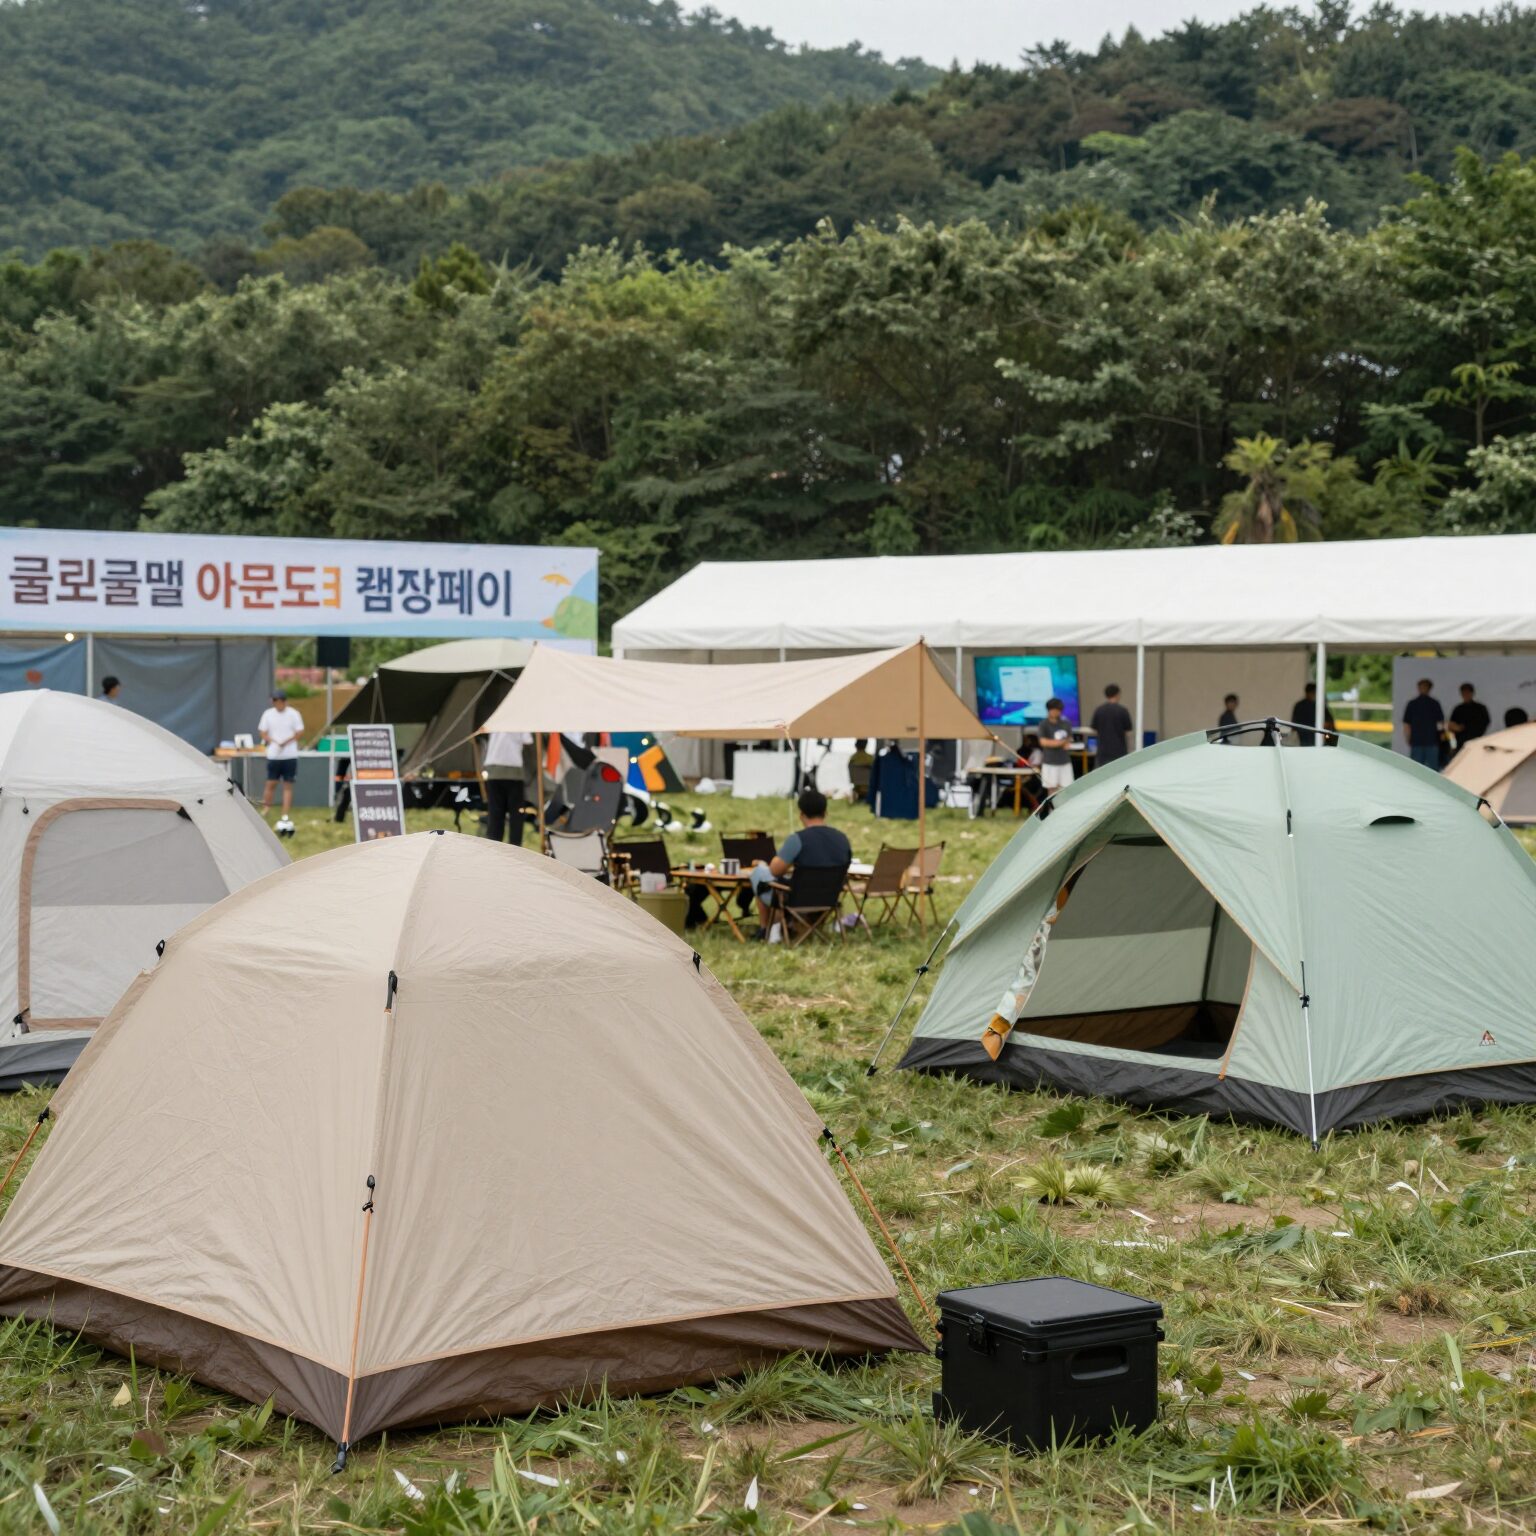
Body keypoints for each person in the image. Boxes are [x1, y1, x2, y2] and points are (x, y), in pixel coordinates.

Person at [748, 787, 852, 936]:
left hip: (798, 900)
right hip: (829, 898)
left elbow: (774, 871)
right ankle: (794, 925)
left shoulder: (798, 839)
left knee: (760, 872)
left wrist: (763, 865)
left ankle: (765, 929)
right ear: (825, 813)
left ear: (801, 815)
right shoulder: (842, 839)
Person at [258, 687, 305, 816]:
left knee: (287, 785)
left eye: (277, 701)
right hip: (274, 755)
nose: (275, 704)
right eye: (273, 701)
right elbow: (262, 732)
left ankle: (285, 812)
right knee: (270, 783)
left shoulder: (294, 714)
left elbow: (300, 732)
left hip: (290, 755)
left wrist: (287, 741)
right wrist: (272, 741)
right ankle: (266, 808)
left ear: (283, 701)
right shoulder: (268, 714)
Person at [481, 730, 532, 845]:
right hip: (513, 771)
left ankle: (494, 846)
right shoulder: (520, 720)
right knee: (516, 815)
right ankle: (515, 847)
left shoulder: (496, 716)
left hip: (494, 770)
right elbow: (528, 740)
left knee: (495, 812)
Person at [1402, 678, 1445, 769]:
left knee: (1419, 770)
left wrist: (1408, 737)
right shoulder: (1433, 703)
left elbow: (1407, 724)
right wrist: (1441, 735)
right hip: (1426, 741)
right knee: (1424, 769)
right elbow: (1440, 723)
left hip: (1429, 741)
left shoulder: (1414, 704)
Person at [1090, 684, 1133, 768]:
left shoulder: (1099, 710)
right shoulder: (1122, 711)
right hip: (1119, 751)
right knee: (1119, 777)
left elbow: (1094, 729)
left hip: (1102, 752)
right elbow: (1128, 731)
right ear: (1117, 694)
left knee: (1102, 777)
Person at [1037, 698, 1074, 793]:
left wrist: (1063, 743)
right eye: (1054, 710)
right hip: (1050, 762)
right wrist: (1061, 742)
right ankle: (1052, 808)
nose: (1056, 712)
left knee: (1066, 789)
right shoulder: (1043, 724)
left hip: (1065, 761)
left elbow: (1069, 740)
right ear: (1049, 710)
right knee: (1051, 790)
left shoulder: (1066, 723)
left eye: (1058, 710)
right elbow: (1044, 742)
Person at [1447, 683, 1491, 755]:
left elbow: (1485, 723)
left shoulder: (1480, 708)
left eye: (1467, 693)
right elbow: (1451, 729)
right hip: (1460, 745)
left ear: (1472, 693)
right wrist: (1452, 746)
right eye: (1463, 693)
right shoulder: (1458, 709)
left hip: (1476, 743)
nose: (1465, 695)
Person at [848, 738, 874, 803]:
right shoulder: (870, 758)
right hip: (869, 785)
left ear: (856, 745)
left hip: (857, 785)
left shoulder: (853, 758)